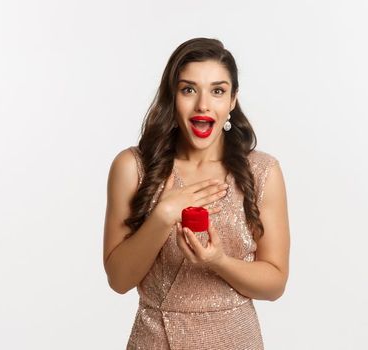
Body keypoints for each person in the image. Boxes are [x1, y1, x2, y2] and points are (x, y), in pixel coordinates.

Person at [102, 37, 291, 349]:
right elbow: (119, 280)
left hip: (235, 339)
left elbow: (275, 284)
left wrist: (218, 261)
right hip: (156, 339)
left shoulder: (262, 172)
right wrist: (162, 215)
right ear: (171, 96)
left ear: (232, 101)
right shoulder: (133, 167)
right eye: (188, 89)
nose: (203, 104)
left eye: (217, 91)